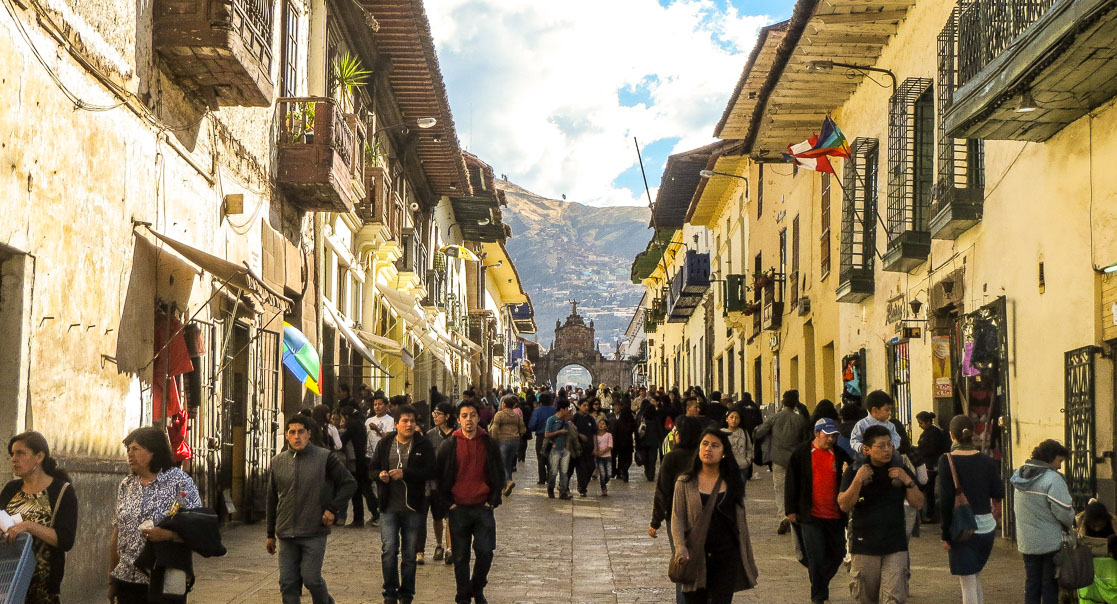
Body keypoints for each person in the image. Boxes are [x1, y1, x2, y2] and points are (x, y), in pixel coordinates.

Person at [266, 415, 357, 604]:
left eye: (301, 432)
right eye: (292, 432)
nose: (297, 437)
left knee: (311, 579)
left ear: (308, 434)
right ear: (287, 436)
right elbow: (272, 499)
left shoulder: (324, 458)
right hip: (286, 532)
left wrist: (332, 509)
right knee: (287, 582)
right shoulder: (277, 462)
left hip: (314, 530)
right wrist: (269, 534)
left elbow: (349, 483)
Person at [110, 428, 202, 604]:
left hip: (165, 579)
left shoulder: (179, 482)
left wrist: (166, 535)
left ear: (153, 451)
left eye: (136, 449)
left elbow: (199, 529)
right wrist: (112, 579)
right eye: (128, 449)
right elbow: (117, 533)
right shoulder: (126, 485)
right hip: (128, 579)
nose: (130, 454)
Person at [669, 428, 759, 603]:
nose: (708, 449)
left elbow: (740, 522)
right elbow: (677, 518)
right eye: (705, 444)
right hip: (696, 556)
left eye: (715, 445)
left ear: (724, 453)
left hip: (726, 556)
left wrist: (745, 554)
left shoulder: (733, 482)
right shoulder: (685, 482)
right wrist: (680, 547)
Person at [837, 424, 924, 604]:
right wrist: (858, 481)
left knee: (894, 598)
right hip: (865, 545)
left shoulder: (899, 470)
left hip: (895, 545)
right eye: (881, 446)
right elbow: (844, 504)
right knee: (866, 598)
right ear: (867, 449)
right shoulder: (856, 471)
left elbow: (919, 503)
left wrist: (908, 481)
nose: (887, 450)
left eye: (889, 445)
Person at [436, 400, 504, 604]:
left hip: (482, 507)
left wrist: (492, 500)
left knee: (485, 551)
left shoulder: (488, 443)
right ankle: (463, 596)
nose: (468, 420)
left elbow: (498, 472)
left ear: (478, 417)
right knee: (460, 557)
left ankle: (477, 586)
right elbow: (440, 476)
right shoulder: (449, 444)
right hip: (458, 508)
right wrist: (448, 503)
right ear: (458, 420)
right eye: (464, 416)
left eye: (472, 415)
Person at [0, 432, 77, 604]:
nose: (14, 459)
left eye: (20, 453)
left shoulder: (62, 491)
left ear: (39, 456)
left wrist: (29, 526)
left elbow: (65, 541)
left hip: (41, 587)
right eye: (12, 454)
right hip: (9, 581)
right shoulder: (11, 489)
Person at [371, 405, 437, 604]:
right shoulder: (385, 443)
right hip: (389, 505)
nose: (409, 425)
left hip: (413, 507)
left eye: (412, 421)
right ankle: (390, 591)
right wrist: (379, 475)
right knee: (389, 550)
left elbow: (432, 471)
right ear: (397, 423)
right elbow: (371, 469)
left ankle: (407, 593)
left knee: (409, 554)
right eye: (405, 421)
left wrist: (405, 473)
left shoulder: (423, 445)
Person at [937, 415, 1003, 604]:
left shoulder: (946, 461)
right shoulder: (987, 461)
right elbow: (998, 491)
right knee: (974, 577)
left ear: (951, 435)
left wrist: (944, 533)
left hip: (962, 529)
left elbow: (946, 500)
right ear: (973, 434)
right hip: (987, 528)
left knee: (967, 582)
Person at [785, 418, 851, 604]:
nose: (831, 439)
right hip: (810, 515)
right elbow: (791, 481)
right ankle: (818, 596)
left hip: (835, 515)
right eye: (827, 435)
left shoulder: (839, 453)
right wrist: (790, 509)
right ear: (816, 433)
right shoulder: (801, 453)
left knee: (838, 553)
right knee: (816, 556)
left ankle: (820, 581)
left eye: (834, 436)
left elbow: (852, 470)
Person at [650, 418, 705, 604]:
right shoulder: (703, 456)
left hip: (676, 516)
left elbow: (663, 490)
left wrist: (655, 521)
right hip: (702, 515)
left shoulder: (672, 457)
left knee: (682, 561)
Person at [1011, 439, 1074, 604]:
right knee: (1049, 585)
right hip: (1050, 543)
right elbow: (1064, 512)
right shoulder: (1053, 479)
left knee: (1032, 583)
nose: (1060, 466)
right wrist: (1071, 522)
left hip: (1027, 542)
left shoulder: (1020, 477)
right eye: (1059, 461)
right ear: (1050, 457)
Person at [754, 390, 810, 534]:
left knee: (780, 489)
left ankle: (783, 516)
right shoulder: (800, 420)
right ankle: (794, 515)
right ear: (796, 403)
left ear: (783, 402)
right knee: (795, 488)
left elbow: (759, 433)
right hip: (795, 460)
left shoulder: (775, 417)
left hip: (778, 459)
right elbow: (806, 440)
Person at [426, 402, 456, 566]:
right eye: (434, 414)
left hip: (452, 482)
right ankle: (439, 544)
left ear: (447, 416)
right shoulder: (430, 435)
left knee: (450, 517)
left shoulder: (457, 435)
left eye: (438, 413)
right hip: (435, 482)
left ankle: (450, 549)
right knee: (437, 516)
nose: (435, 416)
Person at [341, 405, 377, 527]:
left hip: (357, 463)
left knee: (358, 490)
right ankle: (374, 513)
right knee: (366, 489)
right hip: (363, 460)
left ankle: (360, 517)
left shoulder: (352, 425)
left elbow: (342, 440)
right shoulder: (360, 423)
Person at [916, 411, 951, 523]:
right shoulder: (931, 432)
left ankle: (929, 515)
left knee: (928, 491)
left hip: (931, 466)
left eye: (920, 423)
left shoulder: (933, 433)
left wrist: (919, 451)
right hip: (930, 465)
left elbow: (931, 449)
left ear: (927, 422)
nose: (919, 426)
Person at [490, 394, 526, 498]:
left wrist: (494, 440)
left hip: (503, 441)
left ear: (504, 404)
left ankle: (508, 481)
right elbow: (523, 429)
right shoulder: (516, 416)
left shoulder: (499, 415)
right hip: (515, 442)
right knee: (508, 463)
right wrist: (517, 435)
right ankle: (505, 486)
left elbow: (495, 428)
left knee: (501, 463)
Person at [544, 400, 577, 499]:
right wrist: (559, 432)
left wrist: (567, 449)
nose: (568, 411)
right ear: (562, 409)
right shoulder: (551, 420)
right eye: (567, 409)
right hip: (554, 449)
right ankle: (550, 488)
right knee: (553, 472)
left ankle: (563, 491)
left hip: (564, 450)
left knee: (564, 472)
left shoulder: (565, 422)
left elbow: (568, 435)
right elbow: (547, 434)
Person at [526, 392, 557, 486]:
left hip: (541, 437)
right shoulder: (554, 411)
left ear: (540, 402)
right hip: (553, 437)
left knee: (541, 458)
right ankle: (550, 477)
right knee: (551, 457)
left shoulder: (537, 411)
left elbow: (532, 425)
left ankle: (542, 479)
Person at [571, 399, 598, 497]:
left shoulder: (590, 419)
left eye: (587, 405)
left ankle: (584, 485)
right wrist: (579, 435)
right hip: (579, 447)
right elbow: (571, 429)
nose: (586, 407)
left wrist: (595, 447)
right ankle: (582, 487)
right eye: (584, 405)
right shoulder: (576, 418)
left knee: (591, 467)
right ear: (579, 406)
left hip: (590, 447)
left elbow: (595, 433)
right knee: (581, 468)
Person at [638, 396, 668, 481]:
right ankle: (651, 474)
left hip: (644, 442)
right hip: (654, 443)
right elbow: (660, 431)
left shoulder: (643, 420)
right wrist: (662, 440)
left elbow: (638, 431)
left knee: (646, 458)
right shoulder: (656, 419)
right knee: (652, 459)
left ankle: (647, 471)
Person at [723, 410, 753, 489]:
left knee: (739, 492)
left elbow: (749, 448)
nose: (734, 420)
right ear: (727, 419)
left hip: (742, 467)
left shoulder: (743, 432)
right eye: (731, 417)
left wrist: (747, 460)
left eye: (737, 418)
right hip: (727, 468)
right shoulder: (721, 433)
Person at [612, 402, 637, 482]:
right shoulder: (632, 422)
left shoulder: (618, 422)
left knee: (621, 459)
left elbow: (615, 434)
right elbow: (635, 432)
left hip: (619, 444)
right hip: (628, 443)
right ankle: (624, 470)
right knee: (628, 459)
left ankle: (621, 471)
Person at [594, 419, 613, 496]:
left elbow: (610, 446)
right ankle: (603, 488)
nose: (601, 425)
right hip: (599, 458)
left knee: (608, 474)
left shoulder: (609, 435)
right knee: (602, 473)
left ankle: (603, 482)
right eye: (600, 424)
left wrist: (602, 452)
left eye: (603, 424)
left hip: (607, 456)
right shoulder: (596, 436)